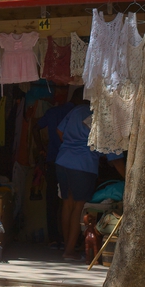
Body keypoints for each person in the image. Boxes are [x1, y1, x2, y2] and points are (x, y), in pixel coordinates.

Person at [52, 93, 124, 261]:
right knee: (79, 207)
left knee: (67, 204)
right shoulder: (104, 117)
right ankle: (69, 250)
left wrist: (71, 145)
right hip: (83, 166)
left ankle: (66, 245)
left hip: (63, 161)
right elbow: (114, 156)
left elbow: (59, 130)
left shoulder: (77, 110)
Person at [35, 89, 74, 249]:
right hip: (71, 162)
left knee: (52, 200)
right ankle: (70, 238)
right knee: (70, 201)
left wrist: (40, 148)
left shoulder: (52, 112)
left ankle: (54, 238)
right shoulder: (76, 113)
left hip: (53, 159)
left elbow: (34, 126)